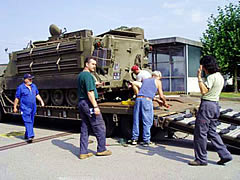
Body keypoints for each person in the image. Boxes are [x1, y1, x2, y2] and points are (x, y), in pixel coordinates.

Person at [188, 56, 232, 166]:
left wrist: (198, 77)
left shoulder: (211, 77)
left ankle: (201, 159)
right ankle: (225, 154)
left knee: (200, 133)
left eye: (202, 66)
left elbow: (204, 91)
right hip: (215, 105)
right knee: (212, 132)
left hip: (207, 106)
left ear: (205, 66)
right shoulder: (220, 76)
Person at [77, 56, 112, 159]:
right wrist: (95, 106)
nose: (94, 66)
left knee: (85, 127)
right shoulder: (88, 76)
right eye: (92, 64)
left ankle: (83, 152)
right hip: (88, 103)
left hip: (82, 103)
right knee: (100, 126)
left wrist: (96, 84)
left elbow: (87, 86)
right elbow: (89, 92)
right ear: (86, 64)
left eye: (95, 64)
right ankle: (101, 150)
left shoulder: (81, 75)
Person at [131, 70, 169, 146]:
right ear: (159, 76)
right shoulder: (158, 82)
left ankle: (134, 139)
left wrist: (157, 100)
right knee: (147, 121)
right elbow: (161, 96)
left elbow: (145, 92)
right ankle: (146, 140)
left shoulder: (145, 80)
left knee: (136, 120)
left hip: (138, 99)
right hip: (146, 101)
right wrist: (165, 103)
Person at [13, 73, 44, 143]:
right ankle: (30, 136)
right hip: (25, 108)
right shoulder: (20, 88)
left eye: (31, 78)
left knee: (31, 121)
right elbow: (17, 98)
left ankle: (27, 134)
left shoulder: (33, 86)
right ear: (25, 80)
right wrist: (15, 107)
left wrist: (41, 101)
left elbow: (37, 94)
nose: (31, 80)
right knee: (28, 121)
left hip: (33, 107)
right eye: (29, 79)